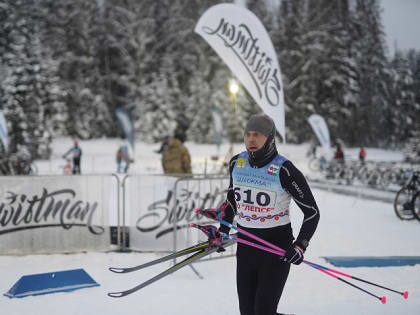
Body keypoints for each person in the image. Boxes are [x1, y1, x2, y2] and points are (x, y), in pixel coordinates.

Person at [217, 114, 320, 315]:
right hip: (246, 247)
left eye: (258, 135)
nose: (251, 140)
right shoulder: (236, 163)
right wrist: (223, 229)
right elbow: (232, 201)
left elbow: (312, 212)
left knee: (263, 311)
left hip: (275, 249)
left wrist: (300, 245)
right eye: (248, 134)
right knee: (247, 312)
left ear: (270, 138)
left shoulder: (285, 170)